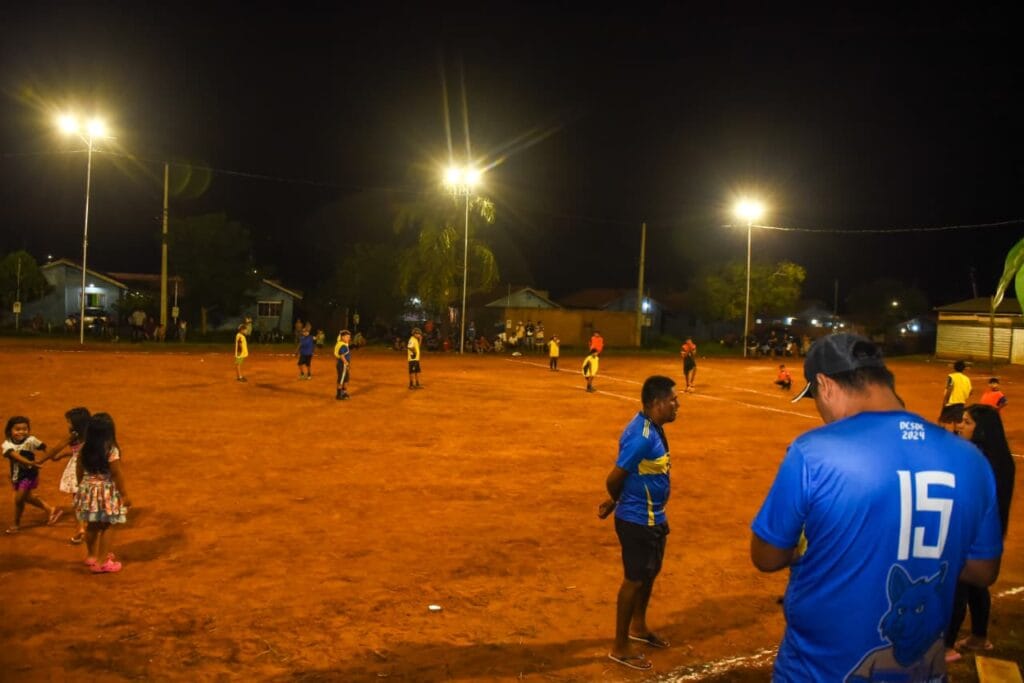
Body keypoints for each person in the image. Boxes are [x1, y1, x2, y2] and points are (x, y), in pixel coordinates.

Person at [750, 333, 1003, 681]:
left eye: (815, 399)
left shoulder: (814, 451)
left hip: (818, 671)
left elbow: (766, 557)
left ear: (825, 385)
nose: (820, 411)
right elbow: (982, 571)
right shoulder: (971, 459)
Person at [598, 375, 679, 671]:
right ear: (656, 404)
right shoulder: (642, 436)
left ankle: (639, 627)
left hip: (654, 515)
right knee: (634, 579)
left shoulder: (653, 427)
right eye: (672, 400)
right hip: (637, 519)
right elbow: (614, 477)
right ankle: (620, 646)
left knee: (650, 571)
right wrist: (617, 500)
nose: (677, 405)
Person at [944, 404, 1015, 661]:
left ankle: (947, 646)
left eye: (967, 422)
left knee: (958, 587)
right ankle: (979, 637)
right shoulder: (1000, 458)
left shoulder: (979, 461)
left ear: (982, 429)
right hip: (989, 533)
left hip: (971, 531)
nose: (959, 425)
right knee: (976, 586)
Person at [75, 413, 131, 573]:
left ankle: (92, 556)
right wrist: (124, 494)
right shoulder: (110, 449)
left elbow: (78, 469)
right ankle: (102, 562)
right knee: (108, 524)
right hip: (104, 490)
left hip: (87, 488)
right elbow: (116, 474)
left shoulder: (83, 447)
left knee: (92, 524)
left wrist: (81, 487)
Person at [3, 416, 63, 533]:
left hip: (29, 474)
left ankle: (16, 525)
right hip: (16, 476)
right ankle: (50, 509)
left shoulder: (31, 440)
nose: (21, 432)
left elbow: (44, 447)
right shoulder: (7, 445)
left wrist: (52, 456)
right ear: (10, 430)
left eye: (25, 429)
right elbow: (14, 455)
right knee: (27, 497)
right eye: (17, 429)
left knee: (19, 499)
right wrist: (30, 462)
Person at [44, 407, 91, 544]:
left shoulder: (73, 435)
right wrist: (63, 455)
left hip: (78, 468)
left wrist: (41, 459)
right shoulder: (92, 433)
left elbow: (56, 448)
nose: (68, 425)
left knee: (77, 500)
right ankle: (91, 524)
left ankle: (81, 529)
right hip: (92, 465)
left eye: (69, 422)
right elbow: (77, 451)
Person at [939, 359, 972, 426]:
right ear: (964, 368)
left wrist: (945, 401)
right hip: (960, 403)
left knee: (942, 421)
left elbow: (949, 388)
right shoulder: (967, 379)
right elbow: (970, 391)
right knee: (957, 423)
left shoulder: (951, 376)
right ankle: (956, 435)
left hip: (951, 403)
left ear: (954, 367)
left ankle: (941, 435)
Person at [334, 329, 352, 400]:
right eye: (347, 337)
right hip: (342, 364)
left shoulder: (340, 343)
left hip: (342, 364)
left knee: (346, 379)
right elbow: (341, 355)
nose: (349, 338)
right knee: (341, 379)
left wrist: (342, 332)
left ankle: (344, 392)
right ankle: (339, 394)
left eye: (349, 337)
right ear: (342, 337)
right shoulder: (343, 346)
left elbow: (339, 338)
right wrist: (346, 363)